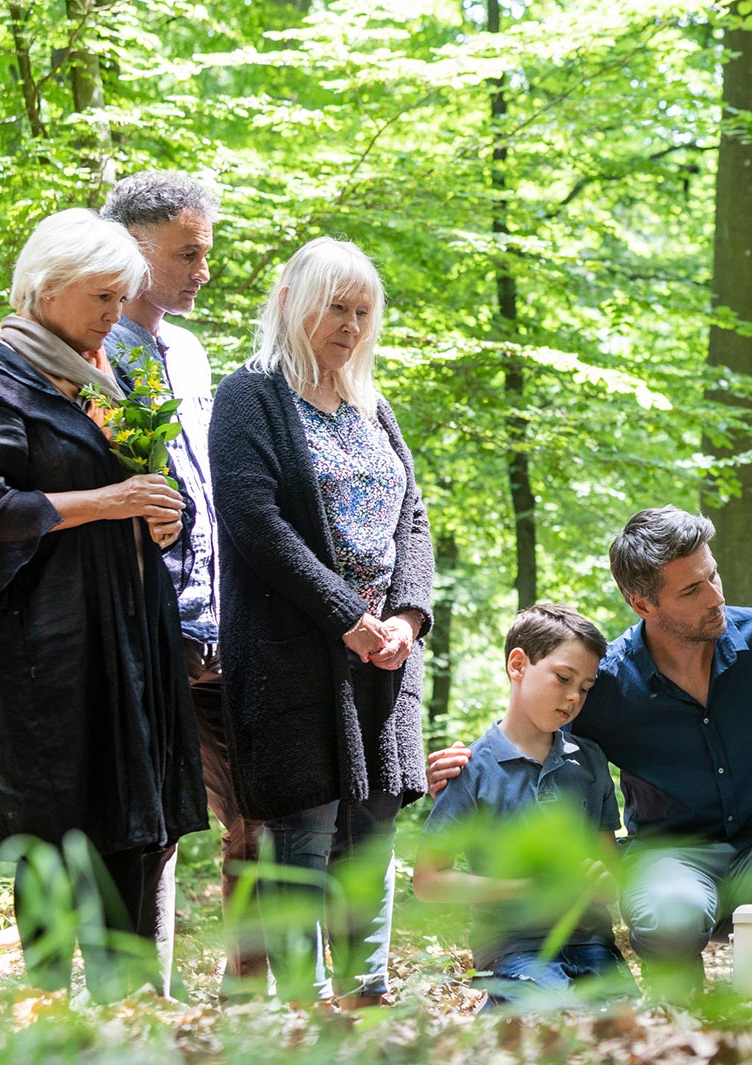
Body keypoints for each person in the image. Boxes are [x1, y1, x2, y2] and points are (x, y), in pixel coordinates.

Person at [0, 207, 207, 998]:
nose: (113, 318)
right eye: (100, 298)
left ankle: (131, 1010)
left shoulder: (103, 379)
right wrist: (109, 498)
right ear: (45, 289)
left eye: (122, 299)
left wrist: (160, 513)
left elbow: (135, 498)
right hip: (45, 655)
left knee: (134, 820)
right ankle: (50, 1016)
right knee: (56, 827)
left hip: (128, 639)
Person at [430, 507, 752, 992]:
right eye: (691, 590)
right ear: (643, 604)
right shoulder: (606, 683)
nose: (715, 596)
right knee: (670, 915)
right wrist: (465, 762)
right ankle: (683, 1018)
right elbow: (533, 734)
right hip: (669, 862)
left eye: (712, 575)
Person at [210, 236, 433, 1008]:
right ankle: (303, 1012)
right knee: (304, 833)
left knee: (372, 835)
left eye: (362, 311)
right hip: (293, 656)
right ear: (290, 305)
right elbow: (254, 519)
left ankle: (366, 997)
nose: (349, 324)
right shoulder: (251, 397)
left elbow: (414, 517)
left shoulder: (373, 405)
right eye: (334, 307)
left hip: (382, 661)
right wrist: (347, 616)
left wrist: (405, 615)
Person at [97, 172, 264, 985]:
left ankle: (256, 1003)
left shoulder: (192, 352)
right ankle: (142, 1005)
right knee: (150, 826)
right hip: (147, 633)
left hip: (226, 633)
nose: (205, 268)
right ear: (134, 252)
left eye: (208, 250)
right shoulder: (94, 358)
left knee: (258, 817)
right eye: (188, 253)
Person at [412, 604, 633, 1007]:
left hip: (591, 944)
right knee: (544, 1024)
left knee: (628, 1032)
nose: (573, 697)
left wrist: (605, 885)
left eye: (585, 687)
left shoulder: (590, 761)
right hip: (512, 948)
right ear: (518, 665)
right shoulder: (471, 768)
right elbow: (428, 881)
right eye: (563, 678)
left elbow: (608, 870)